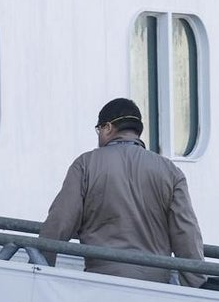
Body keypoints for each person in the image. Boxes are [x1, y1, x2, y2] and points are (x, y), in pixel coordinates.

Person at [39, 98, 207, 288]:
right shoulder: (170, 171)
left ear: (108, 127)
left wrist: (39, 266)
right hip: (156, 288)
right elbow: (187, 236)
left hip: (102, 284)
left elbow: (60, 222)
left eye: (99, 130)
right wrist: (197, 290)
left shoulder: (85, 164)